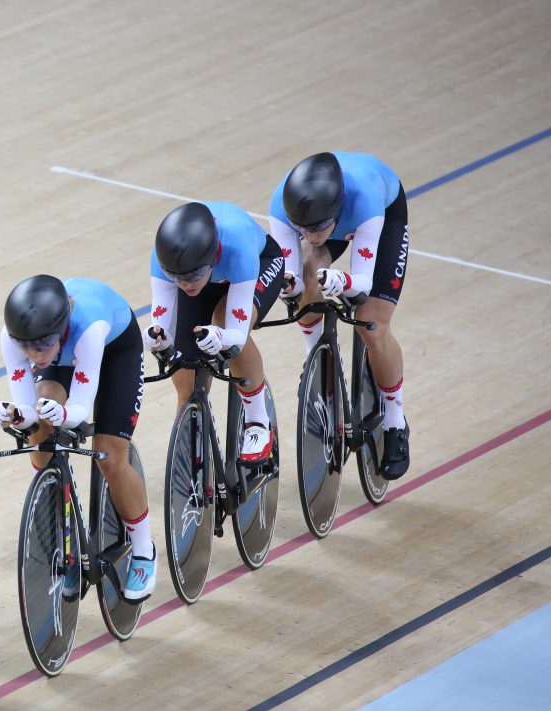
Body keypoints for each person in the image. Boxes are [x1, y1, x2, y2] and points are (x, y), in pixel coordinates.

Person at [0, 274, 157, 603]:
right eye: (26, 347)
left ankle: (143, 550)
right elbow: (28, 406)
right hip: (64, 359)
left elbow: (81, 406)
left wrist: (64, 415)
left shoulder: (89, 327)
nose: (34, 354)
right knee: (39, 435)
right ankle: (64, 532)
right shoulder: (17, 339)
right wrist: (17, 415)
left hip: (114, 355)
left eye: (41, 345)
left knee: (110, 457)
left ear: (61, 328)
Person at [269, 151, 411, 479]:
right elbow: (288, 278)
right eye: (303, 229)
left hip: (383, 217)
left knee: (372, 324)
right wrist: (289, 287)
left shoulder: (365, 201)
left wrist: (342, 281)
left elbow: (362, 282)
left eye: (318, 228)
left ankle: (394, 420)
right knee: (305, 278)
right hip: (338, 218)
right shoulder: (281, 206)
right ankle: (316, 363)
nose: (312, 235)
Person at [146, 202, 286, 465]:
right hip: (208, 277)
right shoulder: (167, 260)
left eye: (191, 277)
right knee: (185, 376)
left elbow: (236, 332)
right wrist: (158, 339)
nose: (185, 285)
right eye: (177, 278)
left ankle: (257, 421)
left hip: (258, 265)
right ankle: (193, 449)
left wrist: (222, 337)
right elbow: (162, 326)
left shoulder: (238, 246)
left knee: (223, 321)